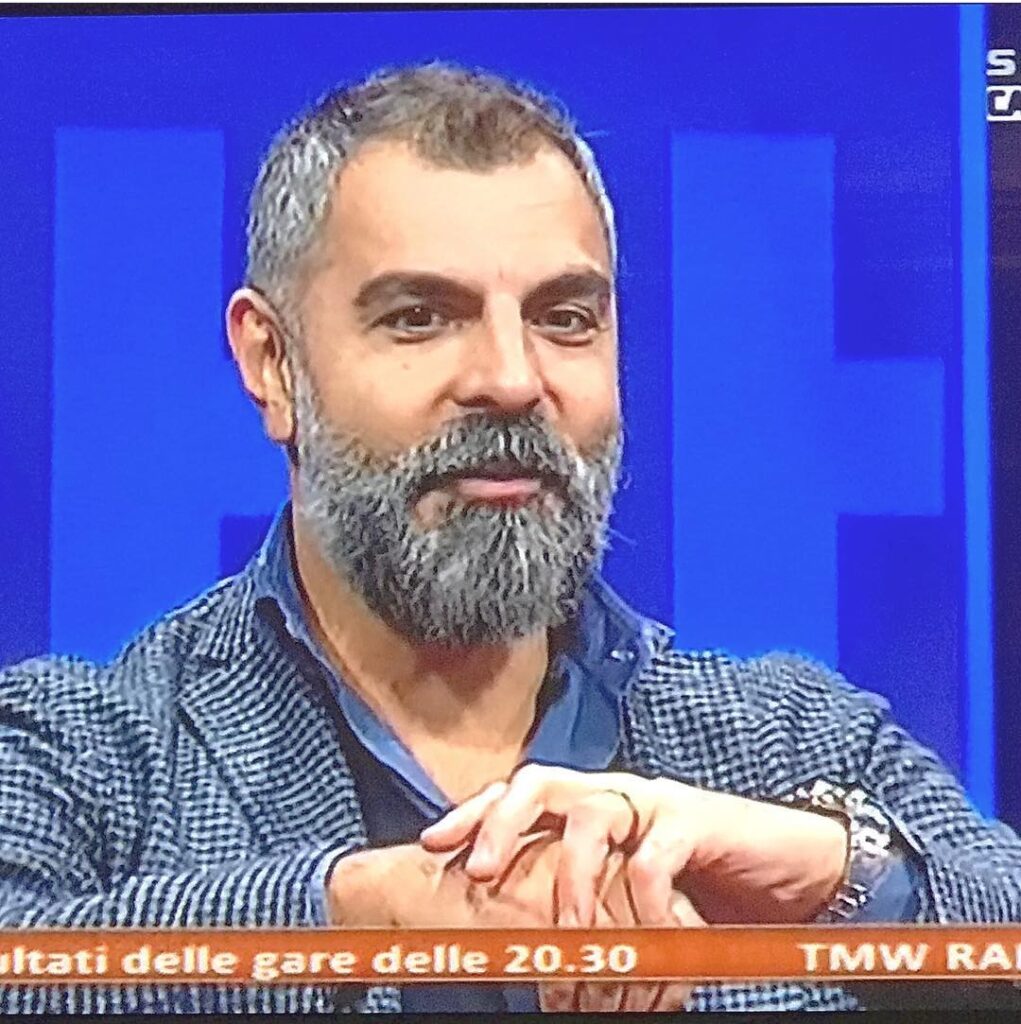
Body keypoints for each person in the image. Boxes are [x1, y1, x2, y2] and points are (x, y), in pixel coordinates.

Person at [0, 61, 1019, 1015]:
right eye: (419, 317)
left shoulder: (792, 741)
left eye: (564, 318)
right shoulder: (86, 752)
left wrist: (838, 878)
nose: (511, 379)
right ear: (272, 364)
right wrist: (367, 917)